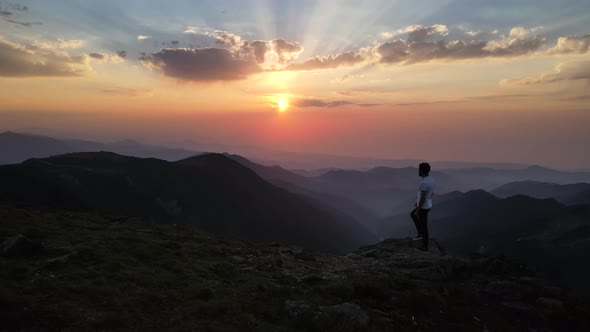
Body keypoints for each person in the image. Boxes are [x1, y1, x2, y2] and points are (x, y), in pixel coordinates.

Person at [411, 162, 434, 251]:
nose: (418, 171)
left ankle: (425, 246)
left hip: (423, 207)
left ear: (421, 171)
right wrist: (418, 203)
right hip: (427, 204)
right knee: (413, 215)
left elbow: (423, 197)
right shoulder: (431, 179)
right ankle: (421, 233)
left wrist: (418, 208)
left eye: (419, 170)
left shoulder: (423, 183)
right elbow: (431, 193)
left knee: (423, 225)